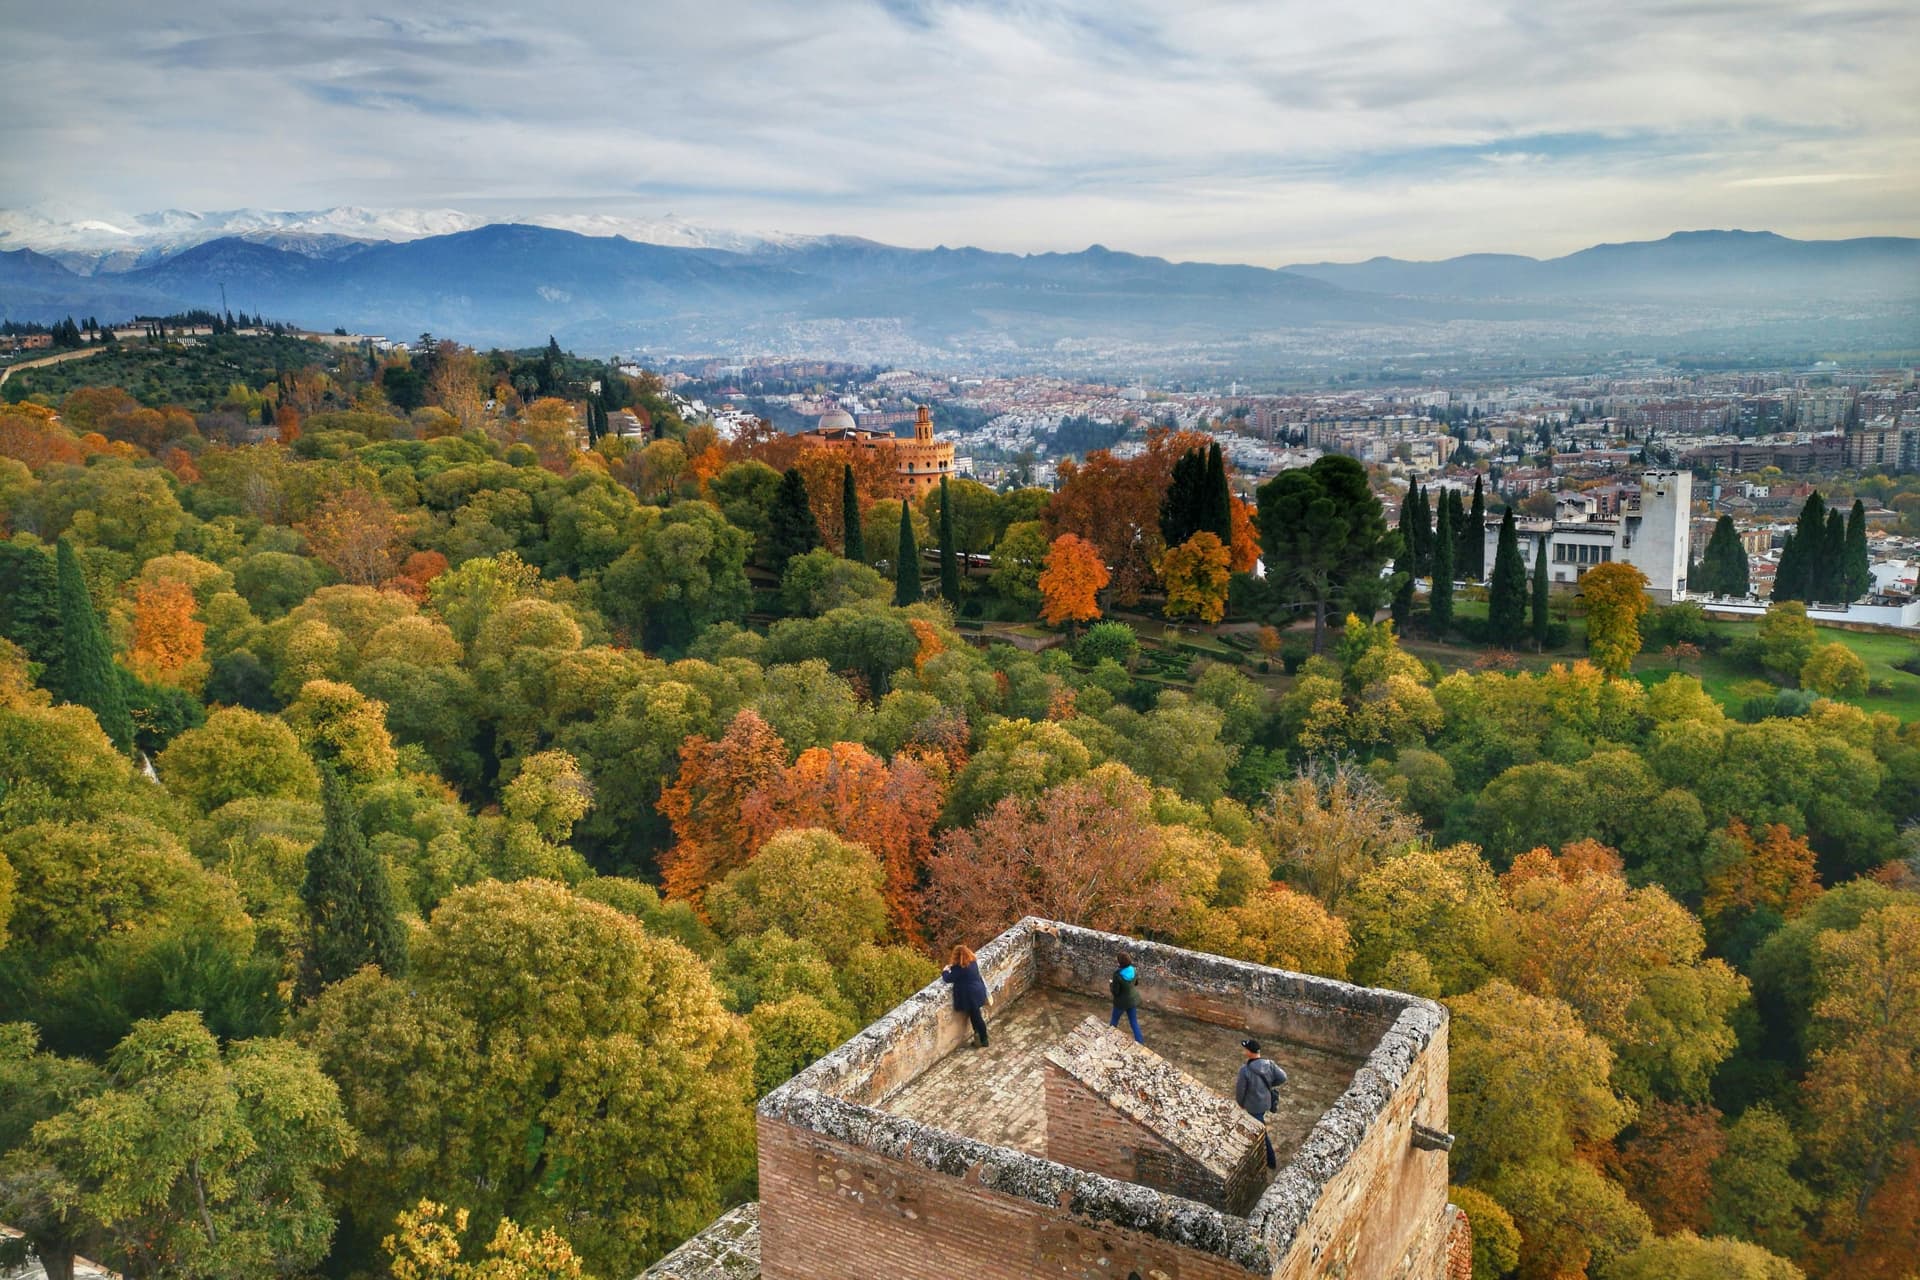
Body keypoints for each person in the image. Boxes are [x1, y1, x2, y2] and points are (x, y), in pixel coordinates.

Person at [1235, 1038, 1289, 1169]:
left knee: (1261, 1132)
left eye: (1245, 1049)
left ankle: (1271, 1160)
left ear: (1249, 1052)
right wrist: (1270, 1084)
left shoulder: (1245, 1070)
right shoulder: (1269, 1064)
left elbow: (1240, 1089)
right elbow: (1283, 1077)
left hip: (1254, 1105)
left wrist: (1240, 1103)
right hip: (1266, 1102)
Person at [941, 944, 990, 1048]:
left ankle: (984, 1039)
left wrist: (945, 971)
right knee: (975, 1015)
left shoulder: (959, 968)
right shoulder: (973, 963)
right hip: (978, 991)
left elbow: (948, 978)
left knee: (977, 1017)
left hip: (970, 996)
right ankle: (979, 1037)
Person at [1108, 951, 1143, 1043]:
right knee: (1134, 1022)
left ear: (1120, 962)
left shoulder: (1117, 975)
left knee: (1114, 1020)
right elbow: (1136, 983)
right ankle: (1140, 1042)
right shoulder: (1133, 970)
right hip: (1132, 1000)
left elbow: (1116, 991)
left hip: (1121, 1002)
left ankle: (1108, 1038)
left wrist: (1111, 984)